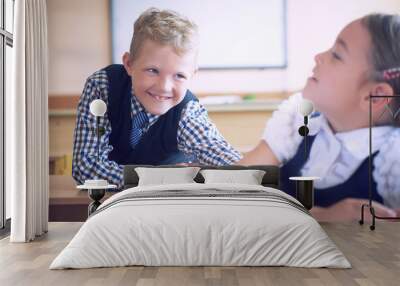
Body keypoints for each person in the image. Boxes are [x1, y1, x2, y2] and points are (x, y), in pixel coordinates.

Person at [239, 13, 400, 221]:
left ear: (376, 96)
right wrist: (324, 216)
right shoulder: (297, 123)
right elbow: (231, 190)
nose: (319, 56)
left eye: (337, 55)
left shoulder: (393, 160)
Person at [72, 8, 241, 188]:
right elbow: (86, 167)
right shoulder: (103, 87)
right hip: (112, 204)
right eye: (153, 71)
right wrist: (161, 178)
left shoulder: (188, 112)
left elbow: (229, 162)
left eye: (179, 76)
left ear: (193, 75)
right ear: (129, 64)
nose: (164, 87)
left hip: (167, 206)